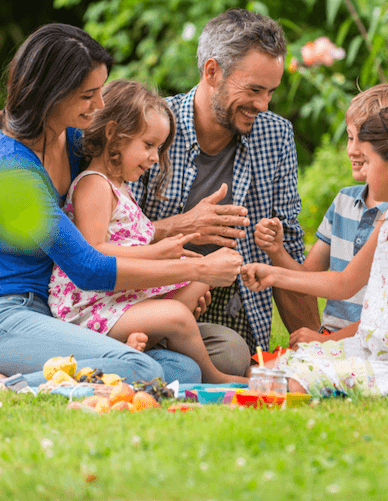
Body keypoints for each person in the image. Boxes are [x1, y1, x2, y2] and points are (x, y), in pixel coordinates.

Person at [0, 23, 242, 388]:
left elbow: (116, 229)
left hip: (56, 315)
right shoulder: (9, 166)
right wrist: (197, 270)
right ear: (50, 93)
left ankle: (56, 370)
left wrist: (183, 226)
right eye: (88, 94)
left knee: (182, 371)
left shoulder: (73, 142)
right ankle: (0, 385)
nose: (100, 105)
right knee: (143, 371)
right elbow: (88, 267)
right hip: (0, 318)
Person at [129, 9, 319, 374]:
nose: (263, 105)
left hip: (227, 314)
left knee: (232, 354)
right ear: (212, 72)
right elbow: (107, 241)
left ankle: (148, 363)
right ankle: (139, 354)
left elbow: (289, 251)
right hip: (144, 301)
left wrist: (315, 346)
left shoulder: (275, 136)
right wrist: (184, 226)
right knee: (225, 359)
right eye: (253, 90)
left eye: (271, 92)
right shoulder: (150, 128)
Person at [241, 104, 388, 405]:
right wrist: (273, 274)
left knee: (285, 385)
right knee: (265, 372)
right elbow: (344, 283)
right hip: (371, 350)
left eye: (368, 161)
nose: (362, 169)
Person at [48, 79, 247, 384]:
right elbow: (93, 251)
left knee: (197, 281)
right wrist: (156, 252)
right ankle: (214, 376)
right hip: (90, 307)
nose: (155, 158)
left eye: (159, 147)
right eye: (148, 145)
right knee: (178, 315)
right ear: (114, 135)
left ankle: (139, 345)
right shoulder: (94, 185)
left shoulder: (121, 188)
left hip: (117, 299)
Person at [254, 84, 388, 348]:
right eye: (350, 138)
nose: (352, 150)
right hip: (333, 337)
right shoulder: (343, 202)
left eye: (363, 142)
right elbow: (310, 281)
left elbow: (387, 315)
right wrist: (277, 252)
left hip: (373, 340)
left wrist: (323, 342)